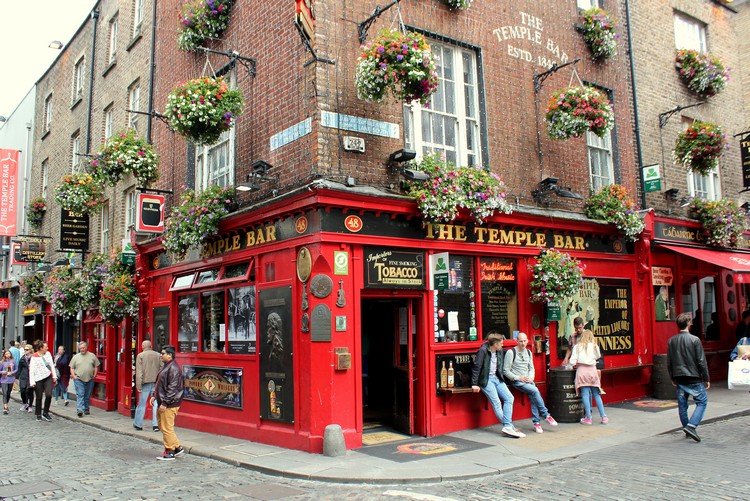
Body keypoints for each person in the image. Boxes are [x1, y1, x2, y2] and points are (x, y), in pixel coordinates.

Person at [470, 333, 525, 438]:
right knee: (497, 403)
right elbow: (477, 367)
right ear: (495, 344)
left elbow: (511, 355)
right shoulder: (483, 351)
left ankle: (508, 426)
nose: (502, 345)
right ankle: (509, 427)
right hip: (486, 380)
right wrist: (474, 384)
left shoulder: (499, 351)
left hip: (497, 378)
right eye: (501, 343)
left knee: (509, 398)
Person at [502, 332, 558, 433]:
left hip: (528, 381)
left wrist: (531, 378)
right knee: (535, 391)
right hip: (517, 381)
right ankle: (546, 415)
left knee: (533, 395)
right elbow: (506, 370)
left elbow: (531, 368)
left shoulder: (528, 352)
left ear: (527, 341)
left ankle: (537, 423)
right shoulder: (511, 353)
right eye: (521, 341)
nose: (523, 343)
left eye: (525, 341)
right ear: (517, 341)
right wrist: (518, 378)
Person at [667, 312, 710, 442]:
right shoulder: (695, 340)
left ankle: (686, 428)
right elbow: (701, 361)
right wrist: (706, 378)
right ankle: (691, 426)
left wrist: (672, 377)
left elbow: (669, 361)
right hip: (693, 377)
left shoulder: (671, 341)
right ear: (688, 323)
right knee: (702, 402)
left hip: (679, 377)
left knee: (682, 405)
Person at [570, 329, 608, 425]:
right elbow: (598, 356)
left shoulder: (577, 347)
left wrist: (576, 363)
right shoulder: (595, 346)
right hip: (592, 371)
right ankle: (604, 417)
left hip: (582, 371)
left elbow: (572, 361)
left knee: (585, 394)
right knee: (596, 394)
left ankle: (588, 418)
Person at [155, 345, 185, 461]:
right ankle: (177, 447)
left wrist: (165, 403)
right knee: (163, 426)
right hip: (164, 401)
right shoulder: (168, 366)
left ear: (169, 355)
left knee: (167, 428)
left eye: (163, 353)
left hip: (169, 403)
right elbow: (161, 384)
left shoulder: (173, 368)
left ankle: (170, 451)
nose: (161, 355)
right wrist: (155, 396)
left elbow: (172, 388)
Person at [134, 340, 161, 432]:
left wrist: (138, 385)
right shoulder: (158, 355)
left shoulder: (140, 356)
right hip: (156, 383)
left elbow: (139, 372)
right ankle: (155, 425)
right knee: (156, 404)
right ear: (151, 346)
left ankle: (138, 424)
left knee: (142, 404)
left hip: (145, 383)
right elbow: (162, 369)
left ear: (142, 346)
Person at [69, 341, 100, 418]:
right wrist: (74, 376)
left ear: (86, 347)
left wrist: (95, 375)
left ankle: (86, 408)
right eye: (80, 348)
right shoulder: (76, 357)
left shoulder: (92, 356)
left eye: (83, 348)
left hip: (90, 379)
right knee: (80, 394)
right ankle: (80, 409)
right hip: (78, 379)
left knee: (87, 395)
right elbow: (71, 368)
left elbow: (96, 366)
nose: (82, 349)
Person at [29, 340, 57, 422]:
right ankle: (38, 414)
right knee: (39, 397)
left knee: (48, 394)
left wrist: (54, 376)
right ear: (41, 348)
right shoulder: (34, 356)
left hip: (47, 376)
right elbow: (32, 370)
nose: (47, 348)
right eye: (46, 347)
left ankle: (45, 412)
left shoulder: (48, 354)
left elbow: (51, 365)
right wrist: (32, 381)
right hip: (38, 378)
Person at [17, 344, 34, 412]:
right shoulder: (22, 358)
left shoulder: (33, 358)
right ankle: (25, 403)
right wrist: (16, 377)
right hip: (23, 377)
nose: (25, 351)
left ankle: (30, 406)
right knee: (22, 391)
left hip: (31, 377)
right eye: (25, 349)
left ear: (30, 350)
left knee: (30, 392)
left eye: (27, 349)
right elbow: (19, 368)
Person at [1, 349, 17, 414]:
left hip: (10, 379)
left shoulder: (13, 361)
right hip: (4, 379)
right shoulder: (1, 362)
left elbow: (16, 369)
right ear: (4, 355)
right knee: (4, 392)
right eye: (6, 354)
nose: (8, 355)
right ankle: (5, 406)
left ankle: (6, 403)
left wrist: (12, 372)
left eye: (9, 354)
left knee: (8, 392)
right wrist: (2, 372)